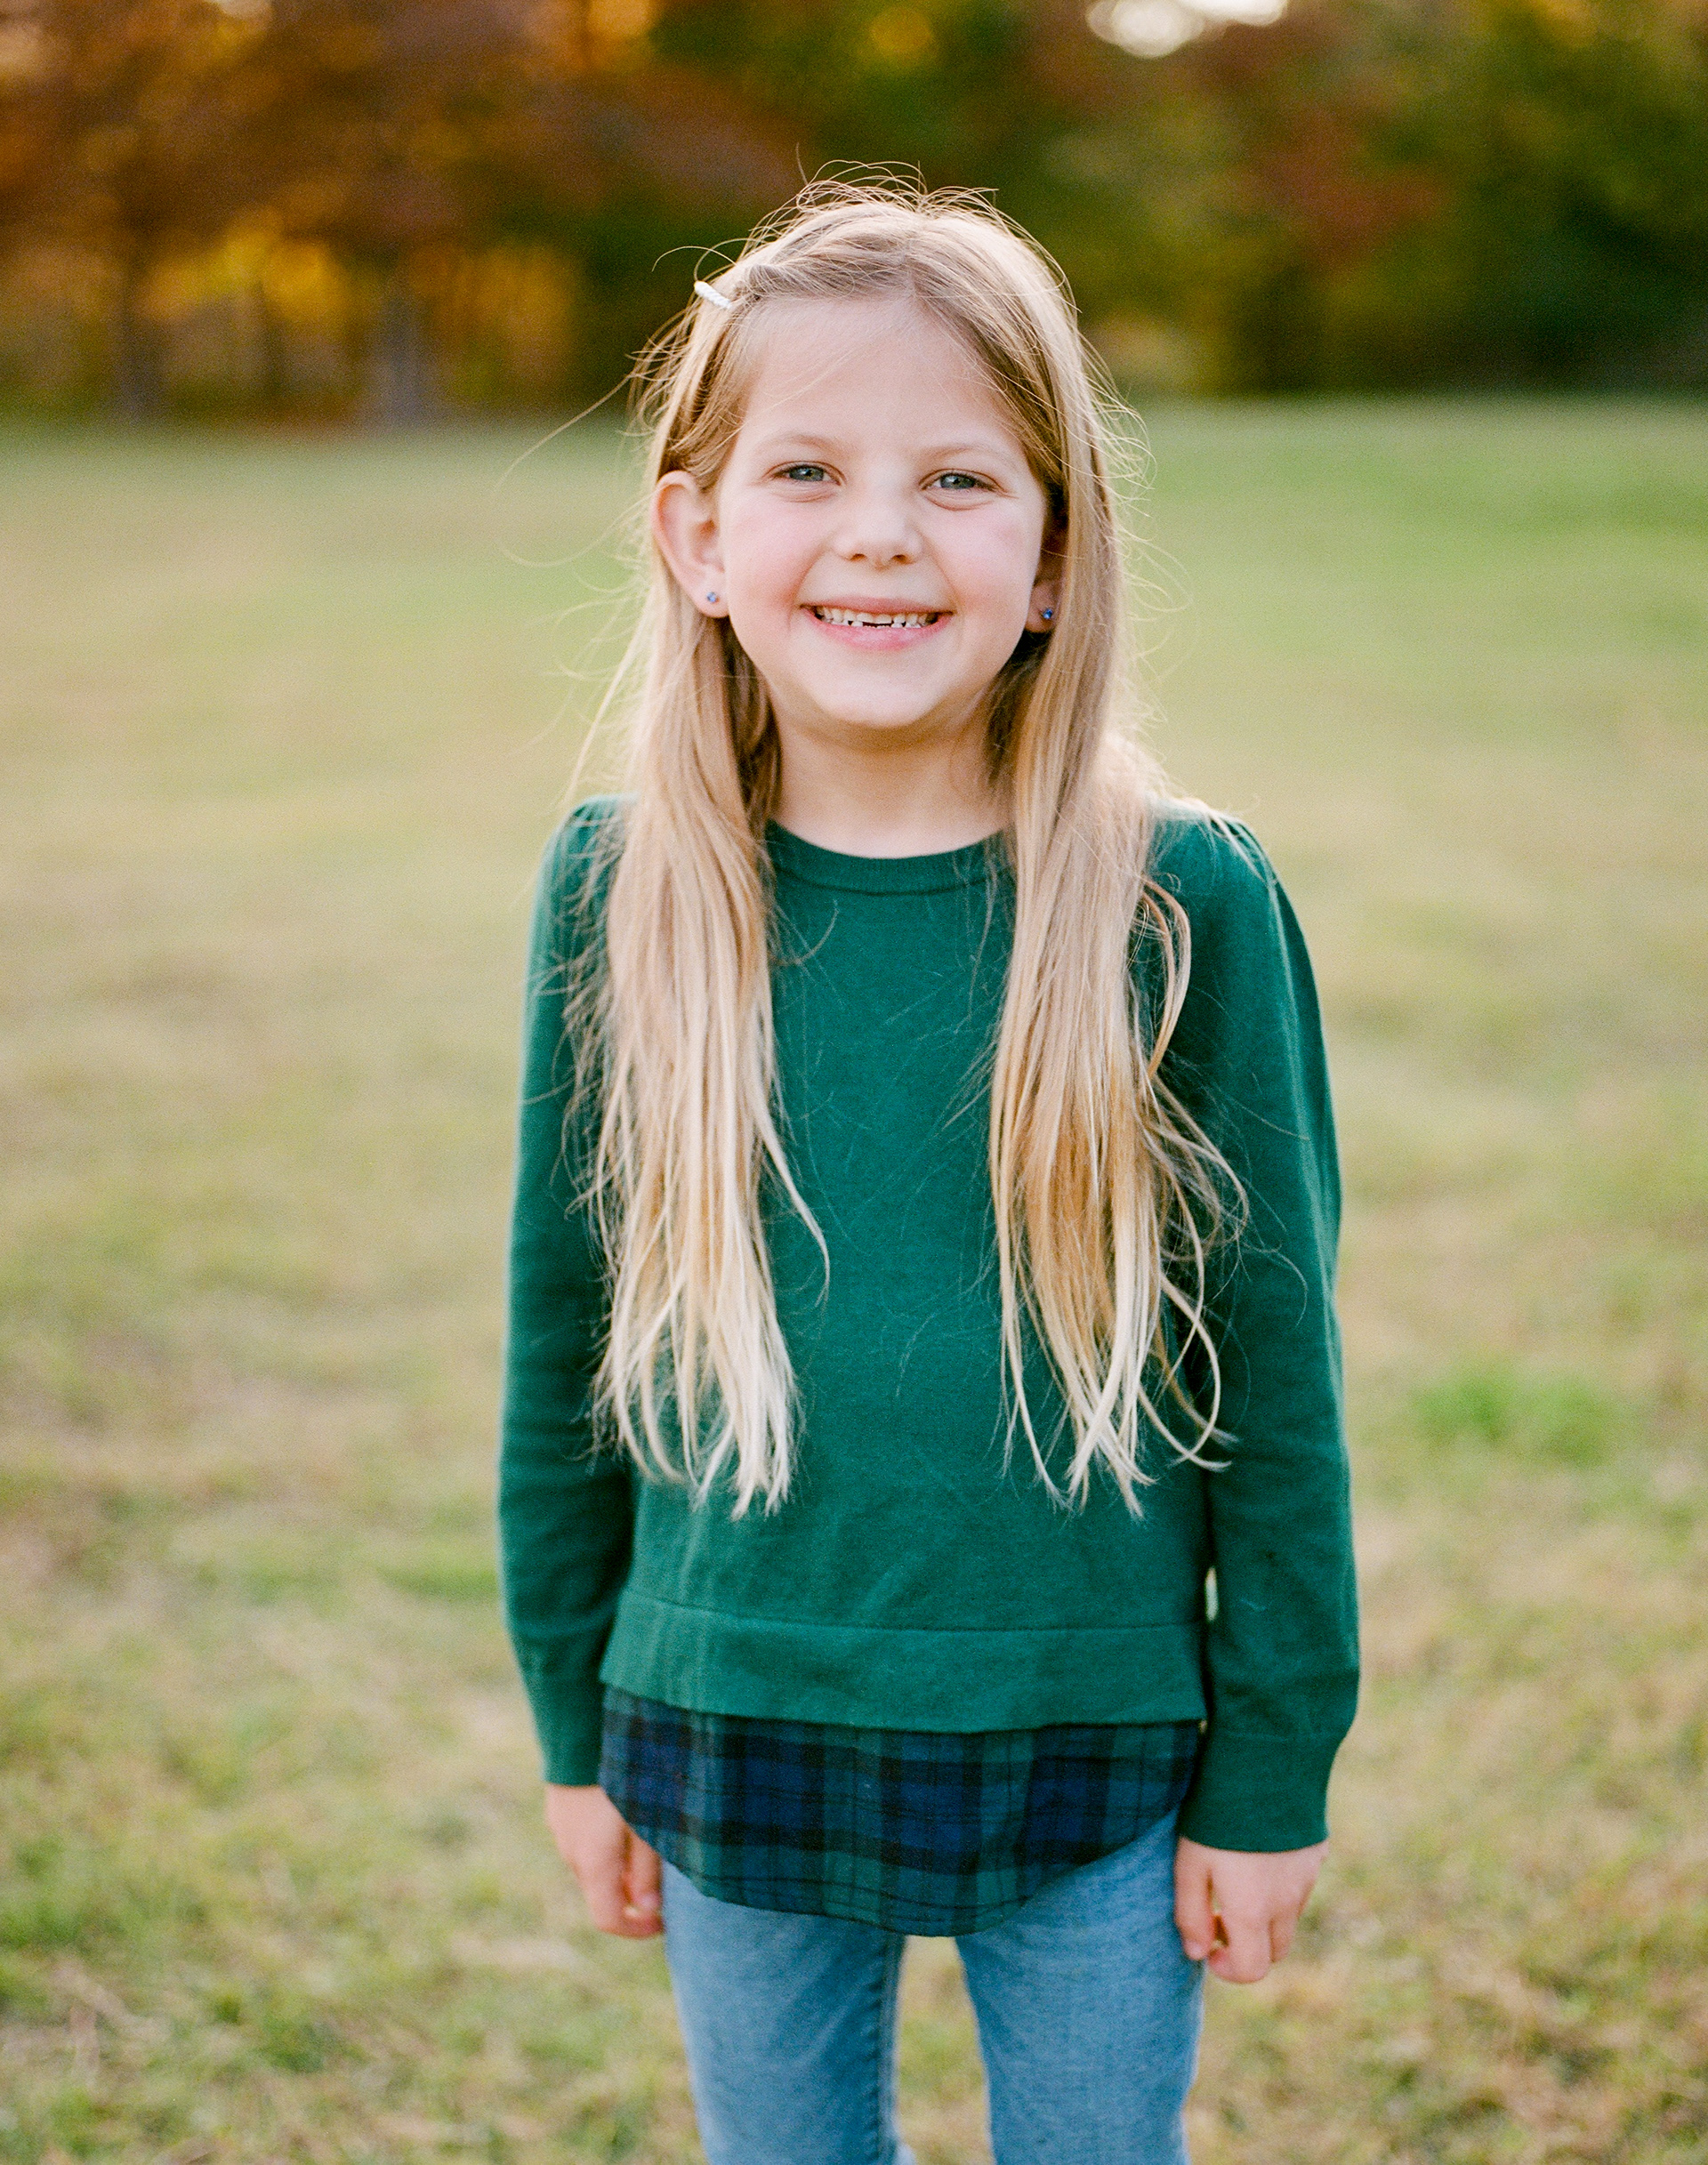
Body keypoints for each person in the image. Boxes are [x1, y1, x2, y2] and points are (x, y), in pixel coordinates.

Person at [499, 181, 1358, 2165]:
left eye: (959, 478)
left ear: (1053, 555)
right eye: (806, 470)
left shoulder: (1178, 903)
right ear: (698, 536)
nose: (880, 530)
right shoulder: (622, 893)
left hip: (1099, 1736)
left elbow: (1281, 1383)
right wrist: (574, 1719)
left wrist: (1274, 1764)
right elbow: (561, 1338)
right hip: (728, 1712)